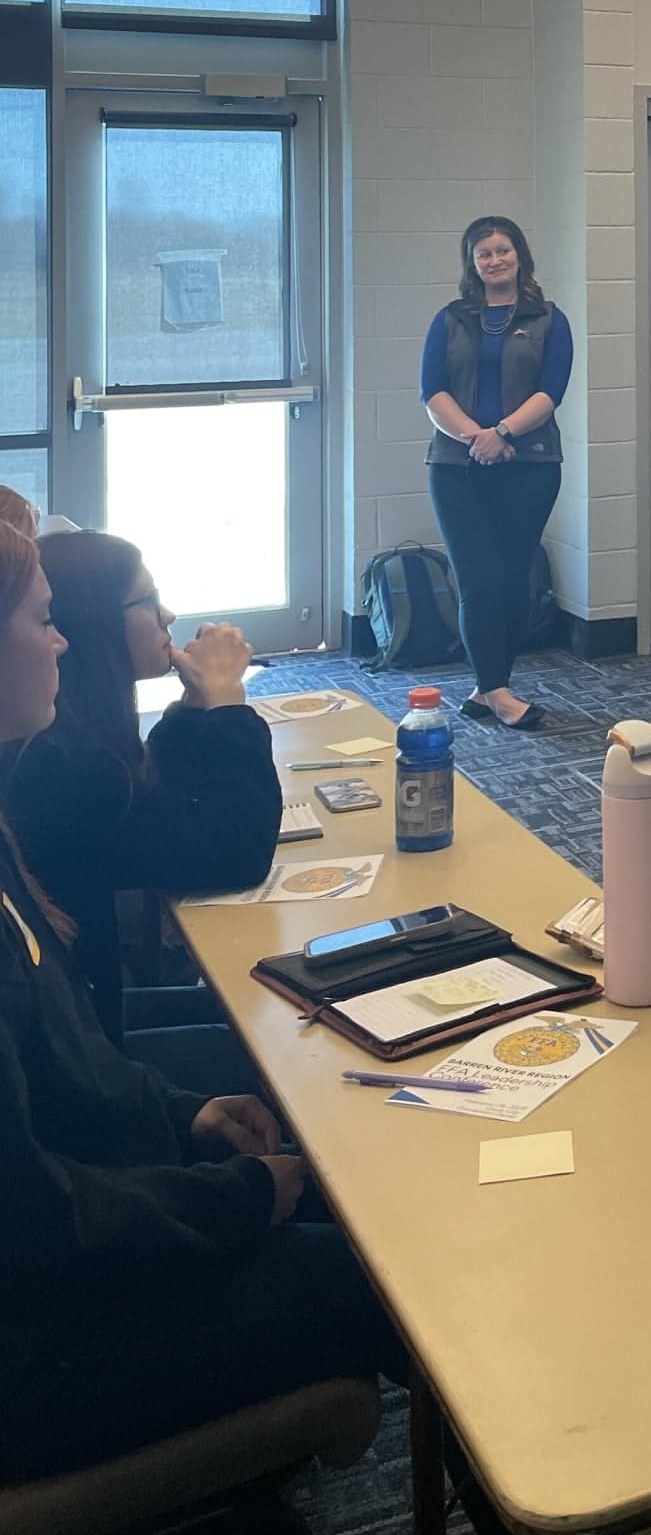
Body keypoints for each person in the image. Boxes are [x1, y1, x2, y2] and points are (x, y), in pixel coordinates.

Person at [0, 522, 406, 1483]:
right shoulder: (53, 770)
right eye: (41, 620)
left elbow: (60, 1089)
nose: (56, 642)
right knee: (391, 1272)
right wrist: (233, 1199)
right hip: (34, 1354)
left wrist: (183, 1124)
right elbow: (36, 1220)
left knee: (313, 1145)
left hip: (50, 1259)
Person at [3, 531, 279, 1080]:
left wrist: (193, 705)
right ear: (96, 619)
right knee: (281, 1050)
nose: (168, 614)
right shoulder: (58, 767)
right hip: (76, 1068)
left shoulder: (71, 737)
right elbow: (235, 852)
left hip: (78, 1022)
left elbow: (149, 796)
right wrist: (227, 707)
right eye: (148, 602)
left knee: (261, 1014)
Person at [420, 215, 573, 730]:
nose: (494, 260)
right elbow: (432, 393)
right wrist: (476, 438)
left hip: (529, 466)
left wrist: (502, 433)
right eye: (483, 253)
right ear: (472, 263)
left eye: (503, 250)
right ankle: (498, 691)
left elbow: (550, 394)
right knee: (478, 580)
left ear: (520, 255)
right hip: (455, 468)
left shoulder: (550, 319)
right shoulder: (450, 319)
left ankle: (489, 688)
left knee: (511, 581)